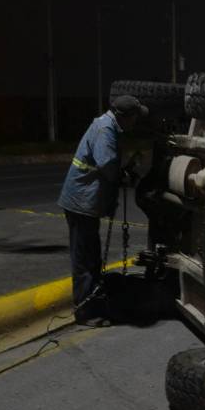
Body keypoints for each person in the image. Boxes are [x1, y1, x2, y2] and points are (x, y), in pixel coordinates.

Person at [57, 95, 147, 325]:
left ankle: (93, 304)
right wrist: (124, 176)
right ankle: (86, 313)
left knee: (91, 257)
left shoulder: (108, 125)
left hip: (86, 202)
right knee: (85, 260)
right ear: (124, 117)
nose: (136, 121)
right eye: (135, 117)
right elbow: (107, 164)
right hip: (81, 203)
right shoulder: (106, 130)